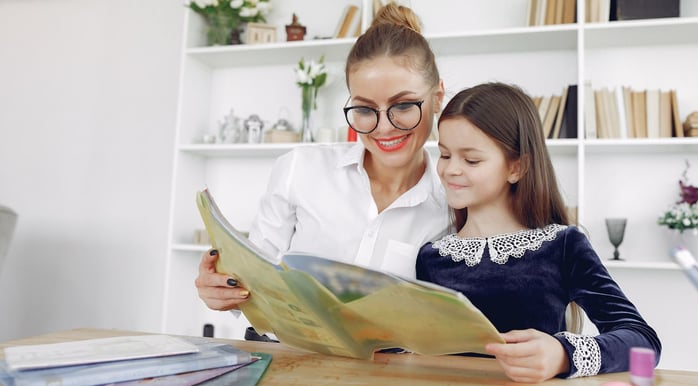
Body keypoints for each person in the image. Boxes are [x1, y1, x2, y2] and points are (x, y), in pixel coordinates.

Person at [195, 3, 450, 313]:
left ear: (437, 98)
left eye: (404, 106)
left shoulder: (454, 202)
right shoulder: (300, 169)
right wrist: (223, 291)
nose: (383, 127)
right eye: (365, 109)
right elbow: (254, 281)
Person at [416, 82, 661, 383]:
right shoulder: (430, 257)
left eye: (471, 160)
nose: (450, 170)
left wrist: (562, 355)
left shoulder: (562, 245)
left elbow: (642, 341)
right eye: (444, 155)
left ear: (517, 168)